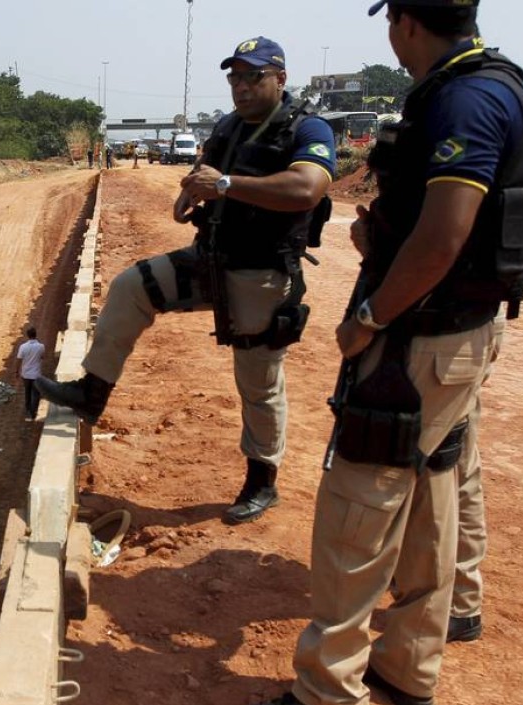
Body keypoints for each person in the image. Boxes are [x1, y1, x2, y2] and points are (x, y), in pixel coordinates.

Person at [245, 0, 523, 705]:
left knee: (360, 505)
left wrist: (368, 318)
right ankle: (408, 665)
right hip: (455, 335)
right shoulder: (495, 83)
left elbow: (443, 237)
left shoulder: (464, 97)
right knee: (433, 491)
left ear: (406, 22)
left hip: (416, 337)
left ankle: (329, 691)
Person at [37, 35, 336, 525]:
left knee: (257, 383)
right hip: (209, 259)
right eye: (234, 77)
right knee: (132, 287)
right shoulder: (228, 126)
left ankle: (263, 481)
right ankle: (91, 392)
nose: (241, 86)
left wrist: (224, 185)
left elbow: (307, 188)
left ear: (280, 78)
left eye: (253, 76)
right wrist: (190, 193)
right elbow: (201, 171)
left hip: (261, 273)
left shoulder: (307, 129)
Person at [448, 313, 505, 642]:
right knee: (450, 468)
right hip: (459, 325)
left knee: (454, 469)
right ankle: (449, 594)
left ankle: (460, 603)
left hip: (457, 329)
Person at [16, 327, 46, 421]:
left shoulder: (23, 347)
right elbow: (42, 357)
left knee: (27, 392)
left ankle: (28, 409)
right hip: (36, 374)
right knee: (36, 393)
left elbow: (19, 360)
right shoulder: (41, 346)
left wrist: (17, 371)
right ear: (35, 334)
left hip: (26, 374)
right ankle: (33, 412)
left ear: (27, 335)